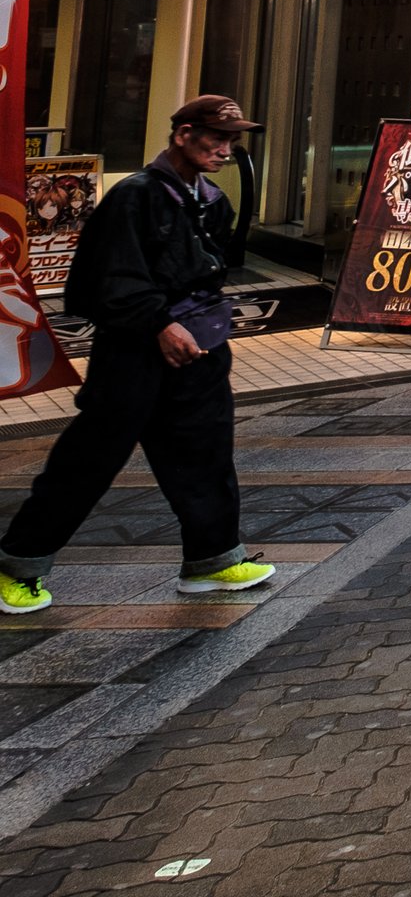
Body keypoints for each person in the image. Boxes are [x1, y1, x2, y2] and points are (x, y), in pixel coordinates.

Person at [0, 97, 277, 613]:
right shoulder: (135, 196)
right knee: (88, 461)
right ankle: (17, 566)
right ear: (183, 134)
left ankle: (213, 560)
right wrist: (159, 324)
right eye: (217, 137)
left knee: (206, 457)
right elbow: (105, 279)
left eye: (233, 140)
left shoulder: (212, 200)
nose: (226, 149)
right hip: (132, 356)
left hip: (200, 352)